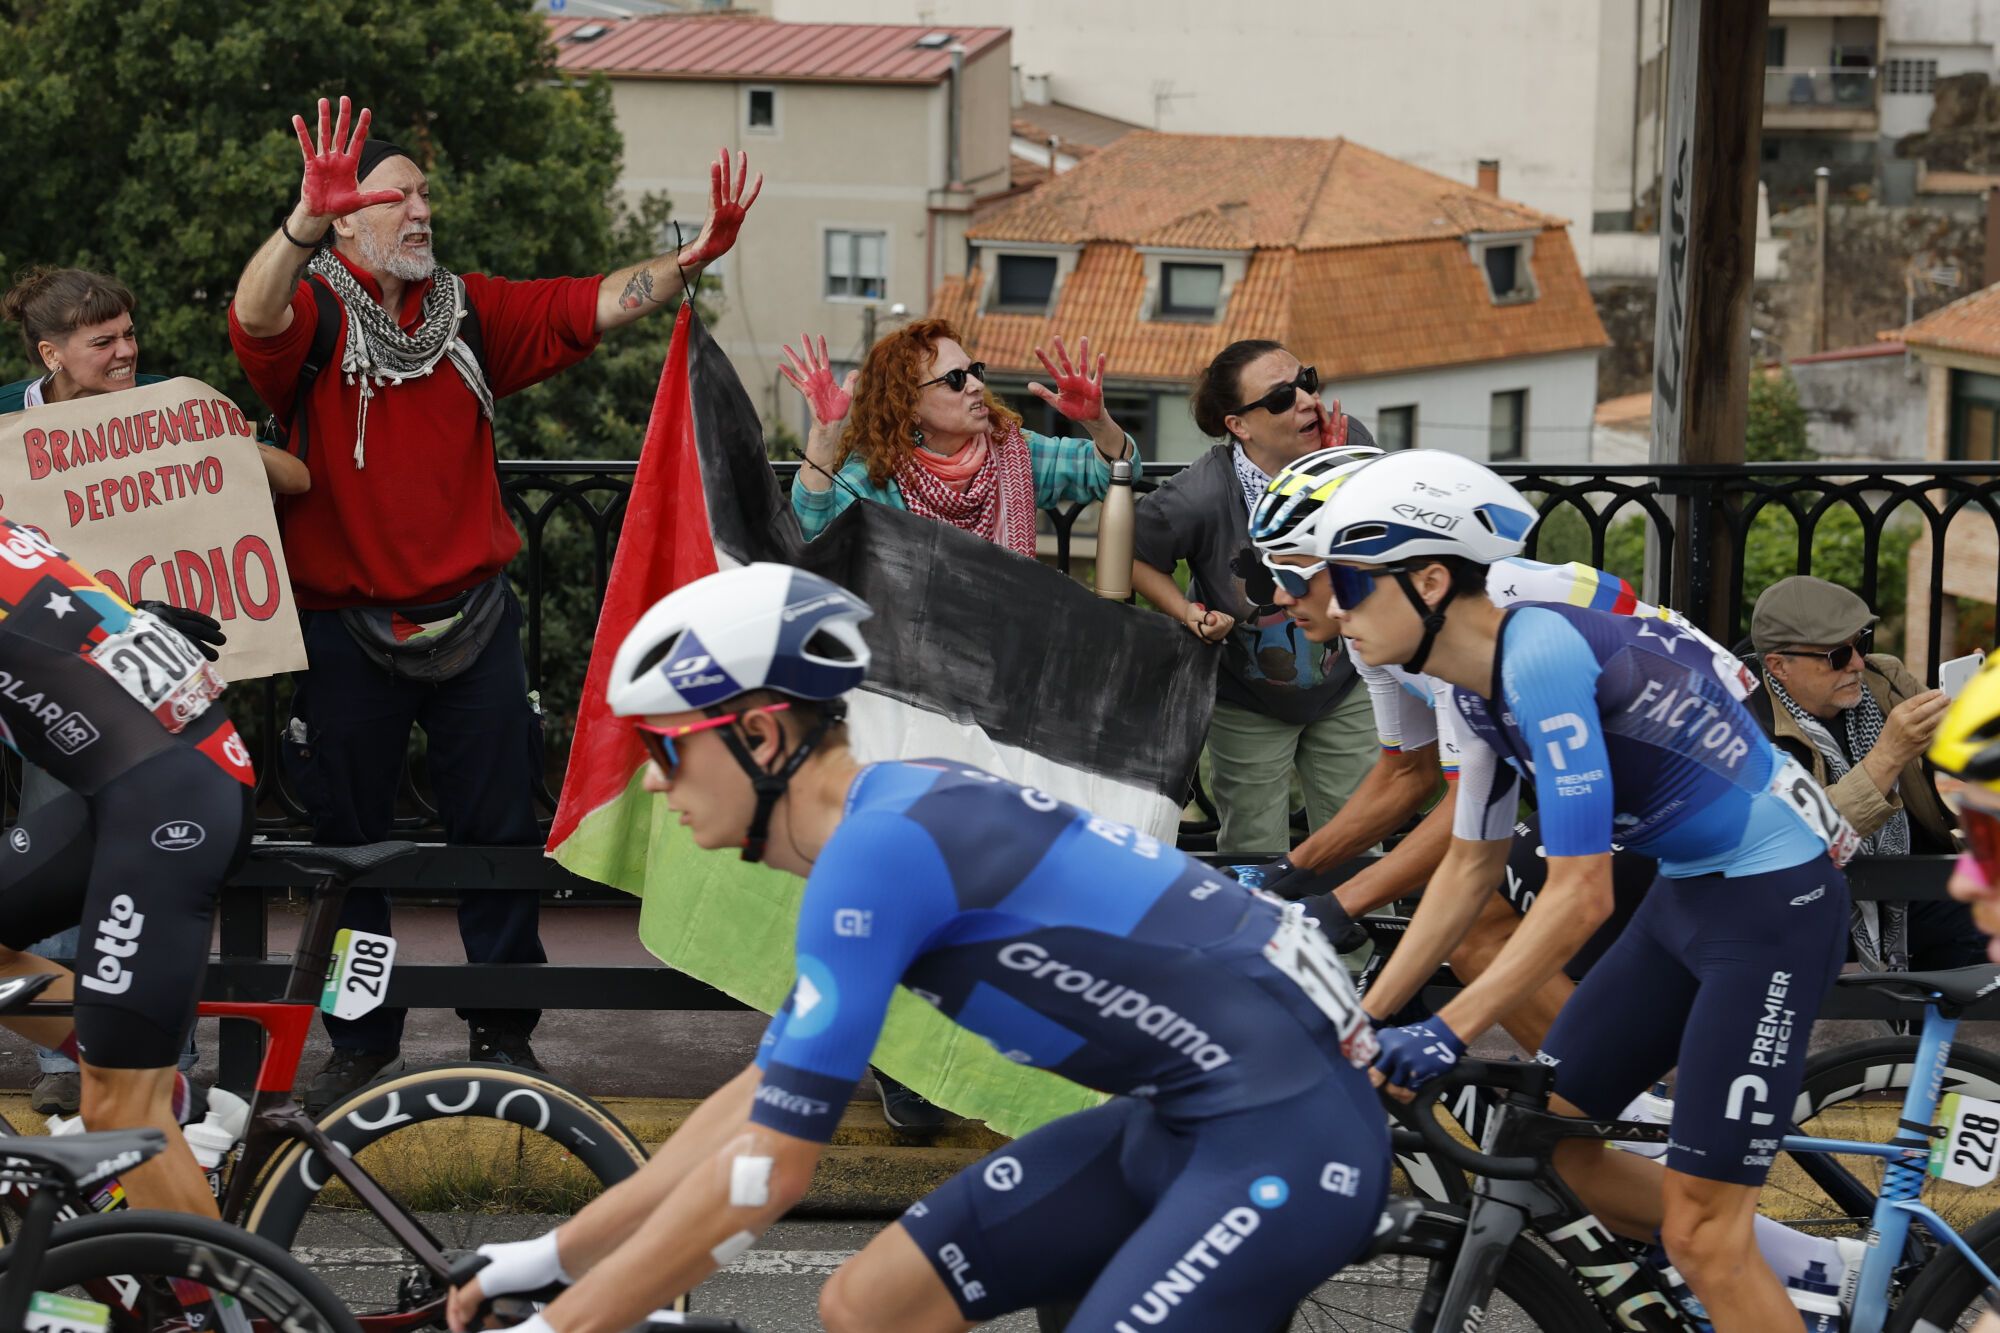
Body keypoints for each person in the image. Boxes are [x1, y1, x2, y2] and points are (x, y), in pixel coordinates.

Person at [446, 563, 1390, 1333]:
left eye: (665, 751)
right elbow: (758, 1105)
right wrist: (549, 1258)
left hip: (1285, 1128)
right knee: (869, 1305)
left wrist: (561, 1326)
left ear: (761, 735)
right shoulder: (881, 819)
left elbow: (764, 1174)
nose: (655, 786)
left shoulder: (879, 850)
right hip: (1187, 1114)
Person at [1246, 446, 1867, 1314]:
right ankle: (1799, 1285)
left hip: (1770, 906)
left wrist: (1446, 1032)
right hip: (1690, 893)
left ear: (1428, 581)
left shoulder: (1539, 661)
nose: (1330, 607)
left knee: (1702, 1232)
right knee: (1550, 1144)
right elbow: (1469, 866)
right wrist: (1369, 1019)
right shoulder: (1464, 685)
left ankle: (1776, 1280)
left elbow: (1582, 895)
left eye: (1349, 585)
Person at [229, 97, 760, 1111]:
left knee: (500, 840)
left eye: (425, 195)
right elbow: (253, 314)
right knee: (351, 862)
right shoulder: (315, 317)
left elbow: (590, 302)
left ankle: (502, 1033)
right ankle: (360, 1032)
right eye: (397, 198)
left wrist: (690, 257)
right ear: (346, 221)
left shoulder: (466, 311)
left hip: (473, 624)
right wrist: (301, 221)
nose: (421, 212)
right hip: (346, 633)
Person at [1, 265, 308, 1114]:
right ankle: (82, 1058)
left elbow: (297, 478)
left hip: (155, 688)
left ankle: (156, 1052)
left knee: (152, 860)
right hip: (53, 679)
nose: (127, 351)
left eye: (130, 334)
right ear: (50, 353)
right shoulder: (7, 419)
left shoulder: (170, 406)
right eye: (104, 342)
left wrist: (217, 443)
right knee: (58, 848)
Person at [0, 515, 255, 1217]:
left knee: (118, 1106)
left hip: (168, 802)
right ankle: (166, 1099)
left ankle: (215, 1316)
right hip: (125, 787)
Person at [1131, 340, 1377, 857]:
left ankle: (1356, 939)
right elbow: (1133, 555)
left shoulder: (1347, 439)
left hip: (1346, 682)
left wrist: (1339, 464)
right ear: (1239, 425)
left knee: (1357, 836)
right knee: (1252, 846)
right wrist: (1186, 613)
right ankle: (1262, 938)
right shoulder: (1199, 494)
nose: (1307, 400)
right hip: (1247, 700)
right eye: (1281, 398)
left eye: (1305, 381)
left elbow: (1382, 525)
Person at [1746, 575, 1971, 972]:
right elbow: (1801, 835)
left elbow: (1963, 755)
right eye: (1837, 655)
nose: (1857, 663)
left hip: (1916, 880)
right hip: (1825, 899)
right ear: (1779, 666)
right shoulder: (1750, 728)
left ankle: (1930, 1030)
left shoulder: (1882, 679)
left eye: (1860, 643)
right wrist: (1888, 755)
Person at [784, 323, 1134, 555]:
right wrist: (824, 433)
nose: (976, 385)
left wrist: (1098, 421)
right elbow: (809, 538)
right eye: (955, 378)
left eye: (974, 371)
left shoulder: (1012, 453)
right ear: (908, 403)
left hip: (1008, 644)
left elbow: (1114, 474)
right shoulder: (879, 476)